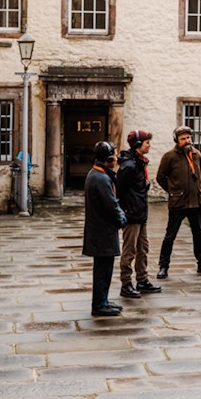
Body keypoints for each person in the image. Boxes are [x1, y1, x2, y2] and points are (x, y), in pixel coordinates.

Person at [155, 126, 201, 279]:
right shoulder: (169, 156)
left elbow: (199, 173)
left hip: (195, 201)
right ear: (177, 140)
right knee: (170, 235)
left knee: (198, 233)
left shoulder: (196, 154)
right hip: (178, 202)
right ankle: (163, 266)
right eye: (183, 138)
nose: (187, 141)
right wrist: (173, 190)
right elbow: (160, 177)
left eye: (189, 137)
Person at [82, 140, 127, 316]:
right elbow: (111, 205)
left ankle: (103, 300)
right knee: (103, 270)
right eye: (114, 154)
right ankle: (100, 304)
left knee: (104, 269)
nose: (116, 157)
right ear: (108, 158)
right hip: (102, 231)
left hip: (101, 230)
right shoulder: (100, 178)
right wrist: (122, 218)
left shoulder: (99, 174)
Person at [116, 130, 162, 298]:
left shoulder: (139, 162)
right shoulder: (129, 166)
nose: (149, 145)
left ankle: (142, 280)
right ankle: (126, 284)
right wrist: (125, 211)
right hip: (131, 214)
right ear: (137, 145)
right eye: (147, 142)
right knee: (129, 251)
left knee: (143, 248)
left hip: (141, 213)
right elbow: (118, 190)